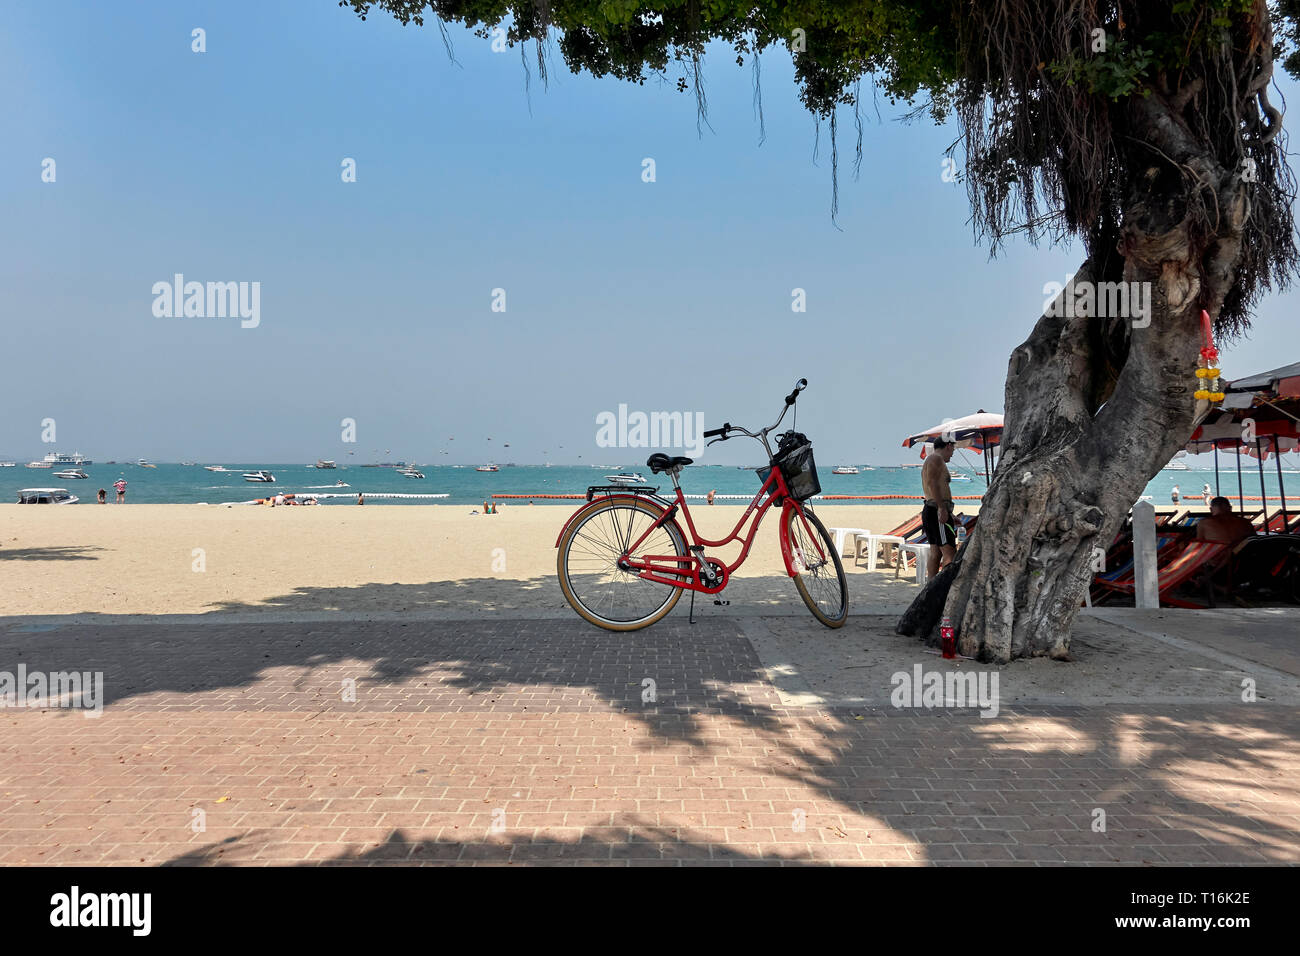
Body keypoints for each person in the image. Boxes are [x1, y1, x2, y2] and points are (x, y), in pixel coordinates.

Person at [920, 439, 958, 579]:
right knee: (949, 552)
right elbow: (932, 484)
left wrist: (950, 514)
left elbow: (934, 487)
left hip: (931, 509)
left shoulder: (930, 459)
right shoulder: (936, 458)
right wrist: (942, 508)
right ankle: (945, 585)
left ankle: (930, 587)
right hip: (936, 510)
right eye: (953, 450)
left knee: (936, 553)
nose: (952, 455)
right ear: (948, 446)